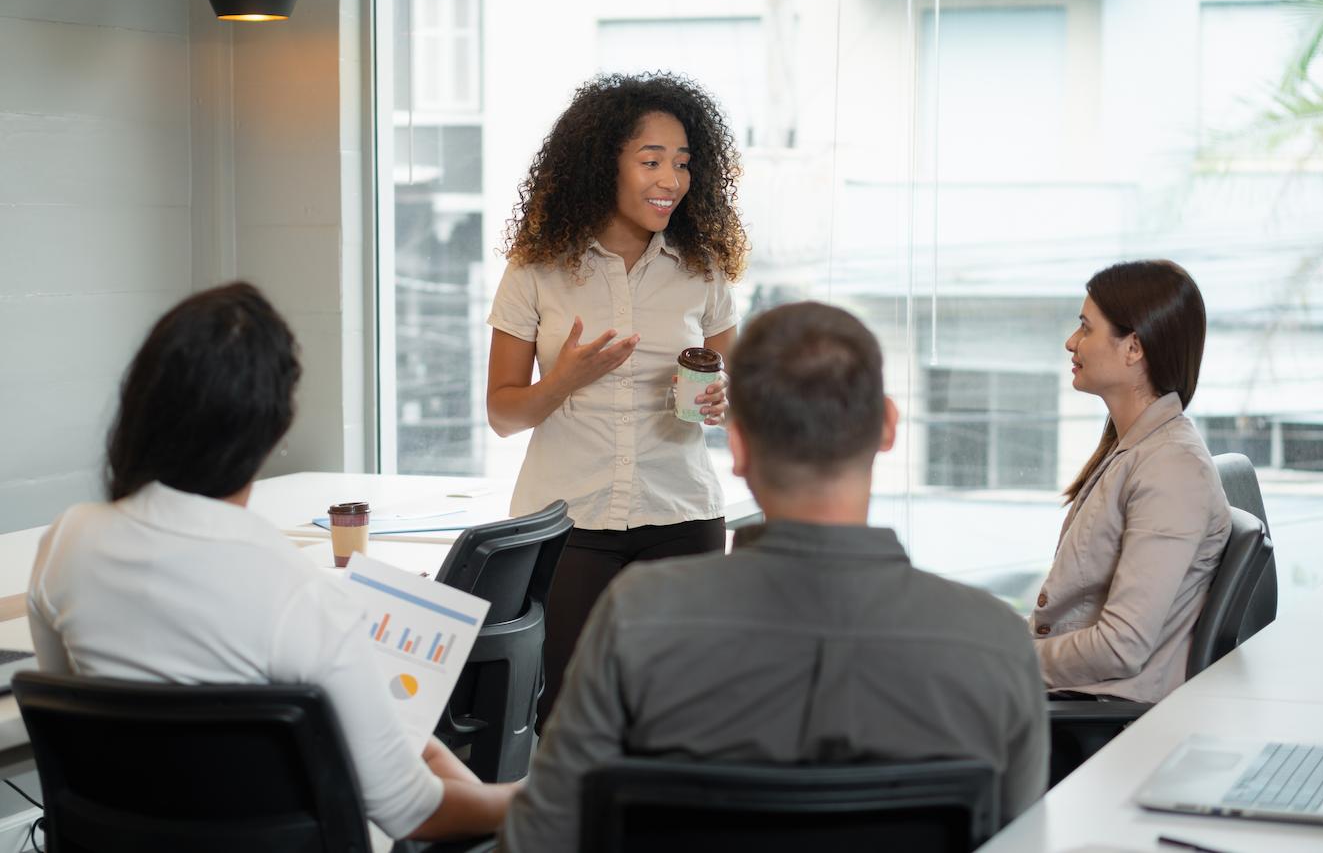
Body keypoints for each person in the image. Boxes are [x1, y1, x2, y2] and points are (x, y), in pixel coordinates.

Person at [500, 301, 1049, 852]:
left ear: (737, 445)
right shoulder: (995, 641)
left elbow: (539, 842)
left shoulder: (638, 619)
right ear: (888, 427)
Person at [27, 283, 518, 843]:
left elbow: (72, 715)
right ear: (273, 429)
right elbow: (413, 812)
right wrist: (536, 799)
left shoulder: (65, 542)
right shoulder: (296, 591)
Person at [485, 72, 749, 724]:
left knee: (677, 716)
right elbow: (502, 414)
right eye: (651, 161)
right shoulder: (535, 269)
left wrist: (723, 402)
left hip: (681, 516)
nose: (671, 180)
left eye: (682, 163)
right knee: (570, 714)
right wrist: (564, 381)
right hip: (568, 524)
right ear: (602, 163)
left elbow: (737, 393)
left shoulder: (702, 269)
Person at [1033, 259, 1231, 703]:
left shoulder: (1172, 469)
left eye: (1086, 328)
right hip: (1070, 692)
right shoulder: (1137, 450)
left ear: (1134, 348)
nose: (1071, 342)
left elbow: (1120, 647)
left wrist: (1007, 658)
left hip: (1091, 708)